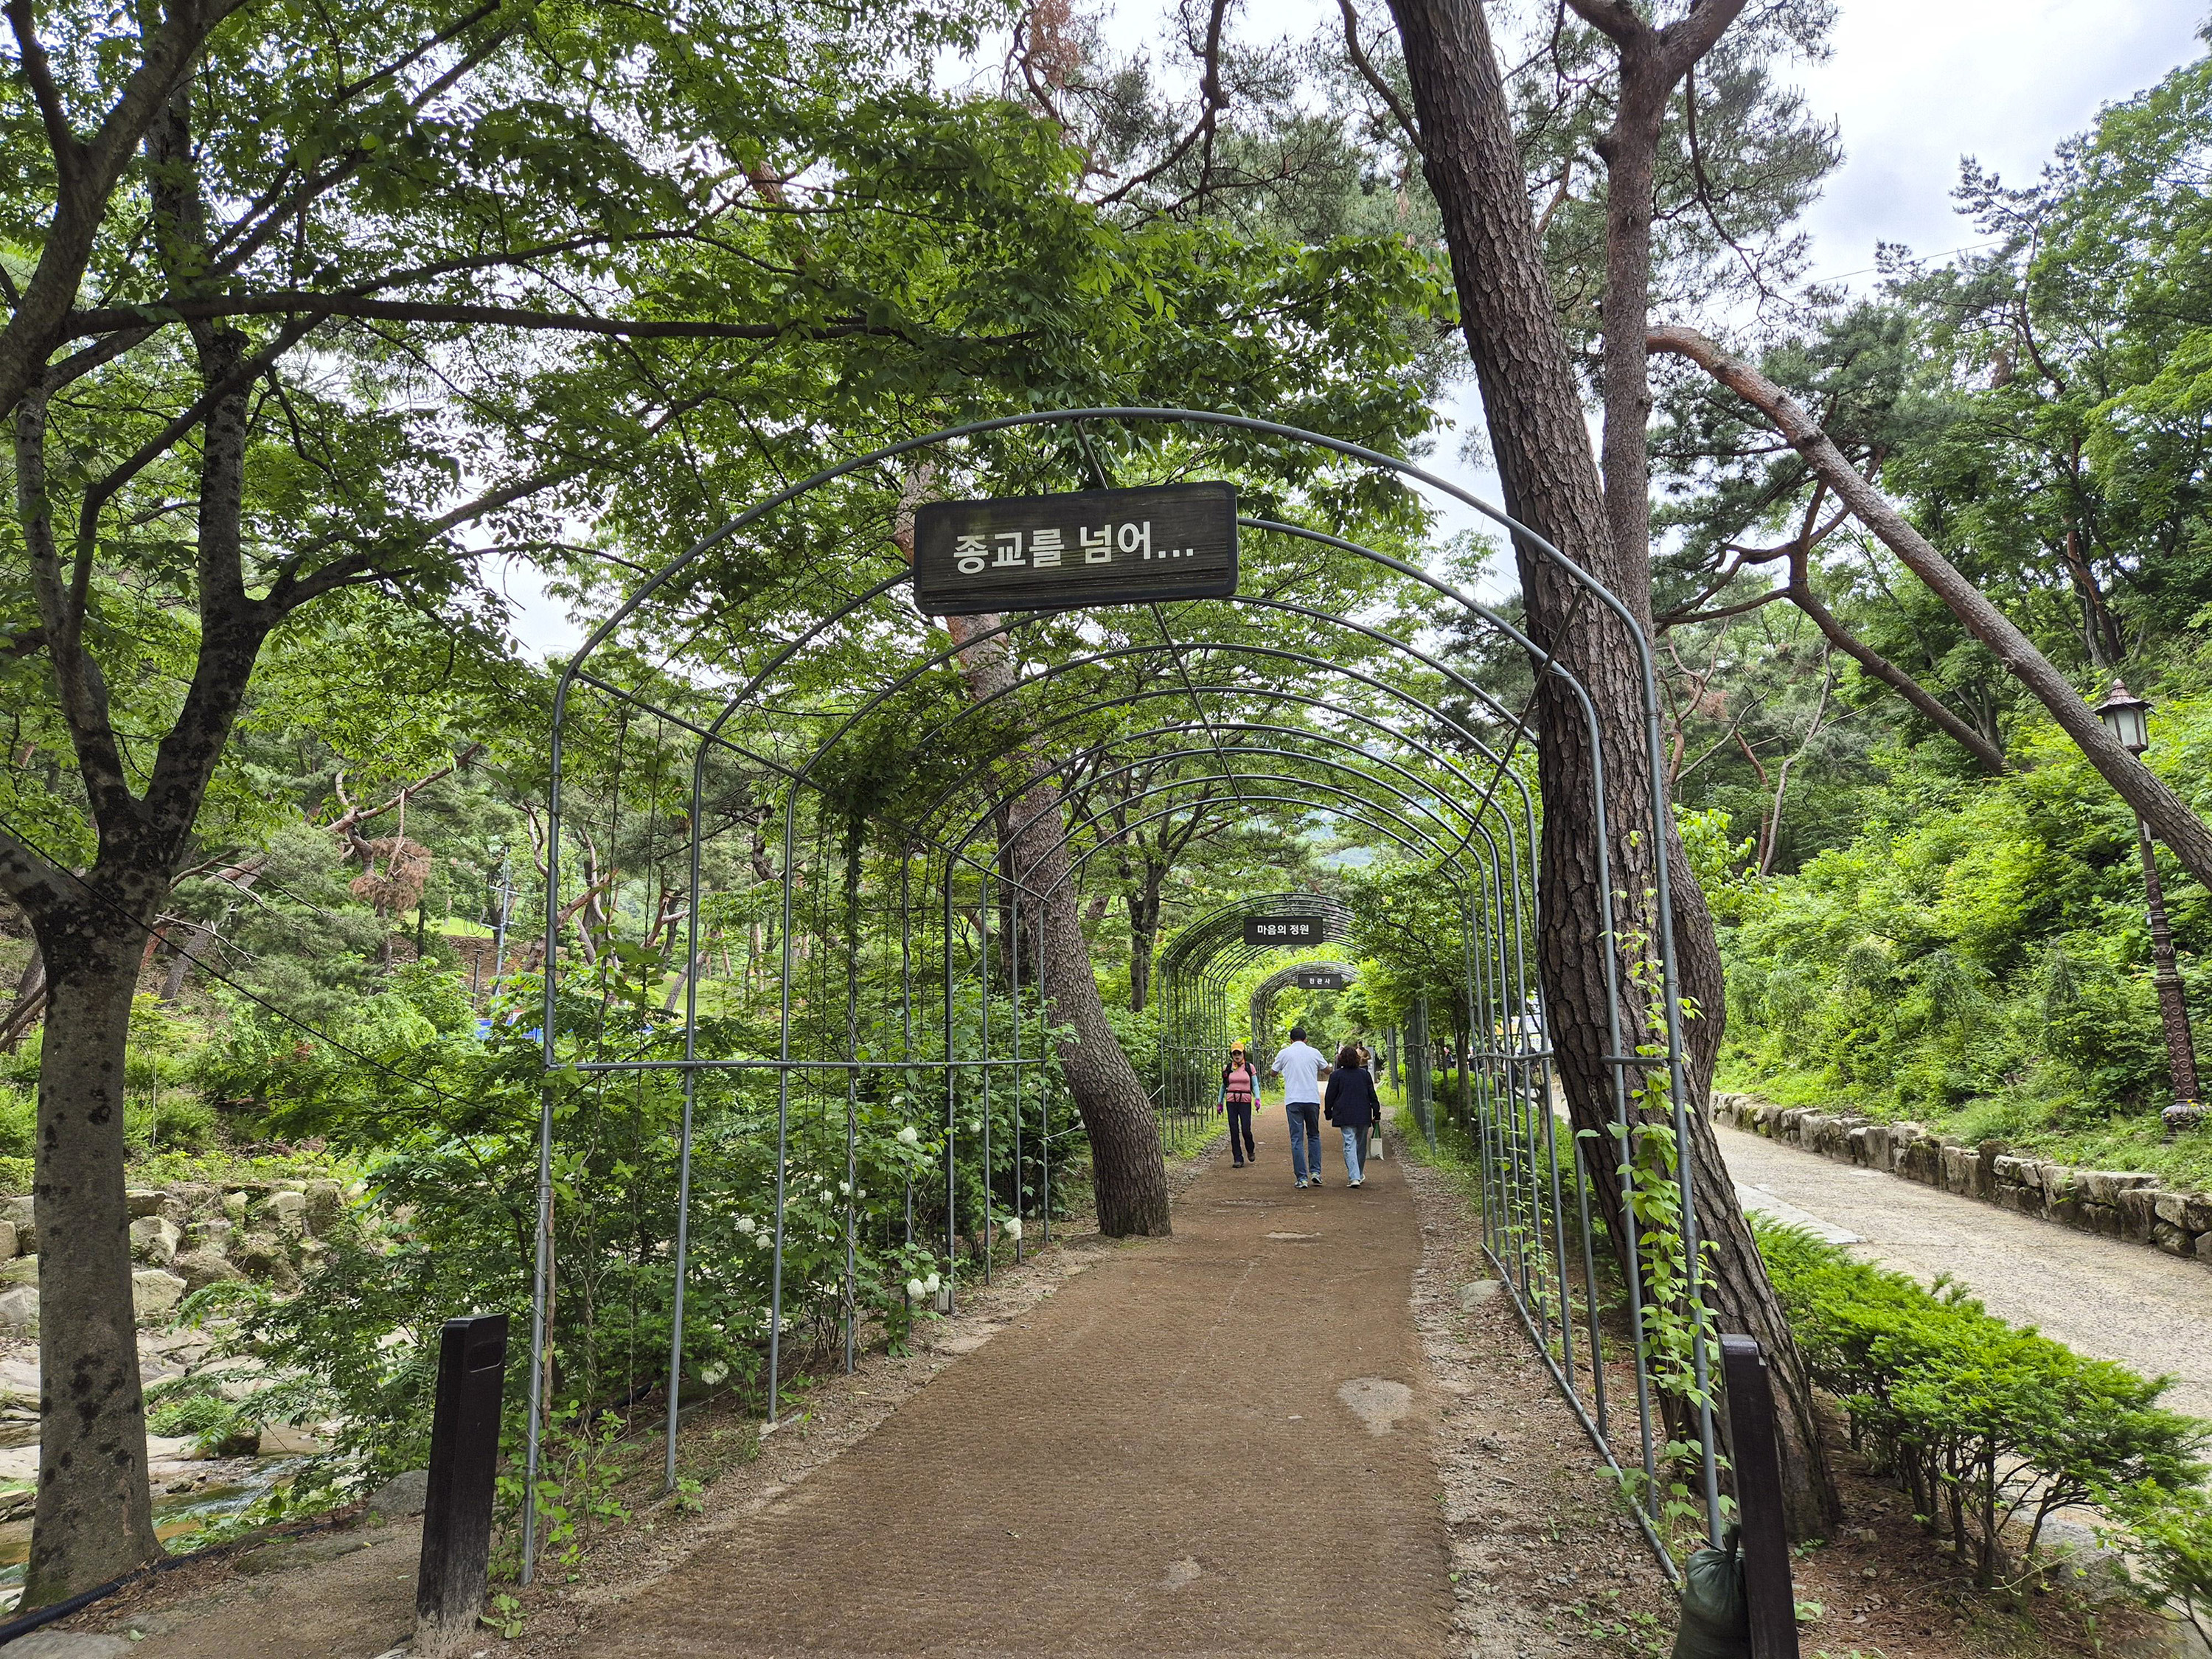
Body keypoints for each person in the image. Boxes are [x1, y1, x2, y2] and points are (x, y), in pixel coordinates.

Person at [1270, 1024, 1326, 1188]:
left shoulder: (1284, 1053)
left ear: (1290, 1040)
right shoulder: (1314, 1052)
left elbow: (1273, 1072)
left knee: (1297, 1139)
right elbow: (1328, 1069)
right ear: (1306, 1039)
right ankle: (1316, 1172)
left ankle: (1302, 1178)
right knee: (1314, 1135)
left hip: (1293, 1100)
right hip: (1312, 1099)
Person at [1324, 1043, 1380, 1188]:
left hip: (1344, 1114)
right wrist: (1377, 1111)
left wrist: (1328, 1111)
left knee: (1349, 1144)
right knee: (1360, 1145)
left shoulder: (1336, 1076)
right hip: (1363, 1114)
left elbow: (1330, 1096)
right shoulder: (1364, 1074)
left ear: (1341, 1059)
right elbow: (1372, 1095)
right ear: (1357, 1059)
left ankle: (1354, 1176)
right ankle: (1358, 1174)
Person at [1217, 1043, 1260, 1167]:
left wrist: (1257, 1098)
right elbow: (1224, 1085)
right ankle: (1238, 1158)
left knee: (1246, 1129)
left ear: (1243, 1053)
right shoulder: (1228, 1068)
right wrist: (1219, 1102)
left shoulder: (1249, 1067)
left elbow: (1255, 1084)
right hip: (1231, 1101)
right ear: (1231, 1055)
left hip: (1245, 1101)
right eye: (1234, 1053)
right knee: (1234, 1130)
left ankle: (1250, 1148)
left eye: (1239, 1053)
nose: (1237, 1056)